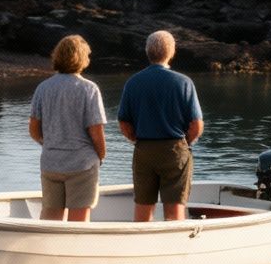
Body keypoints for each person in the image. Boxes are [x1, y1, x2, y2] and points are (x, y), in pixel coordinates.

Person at [116, 29, 204, 222]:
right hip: (174, 150)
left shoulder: (133, 83)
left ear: (148, 52)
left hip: (144, 149)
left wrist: (136, 139)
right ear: (172, 52)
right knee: (174, 211)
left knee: (143, 208)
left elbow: (123, 122)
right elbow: (197, 124)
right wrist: (186, 142)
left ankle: (142, 248)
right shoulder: (183, 82)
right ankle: (172, 249)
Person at [27, 34, 107, 221]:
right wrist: (101, 156)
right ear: (82, 58)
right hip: (82, 164)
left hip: (51, 162)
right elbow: (96, 131)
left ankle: (47, 249)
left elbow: (33, 128)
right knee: (79, 220)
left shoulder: (43, 88)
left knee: (50, 216)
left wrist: (49, 143)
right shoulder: (89, 89)